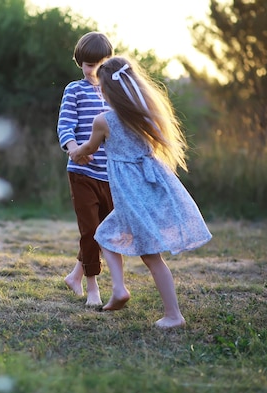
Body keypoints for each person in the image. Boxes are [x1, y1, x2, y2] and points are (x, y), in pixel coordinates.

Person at [68, 56, 212, 328]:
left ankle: (171, 314)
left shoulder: (104, 120)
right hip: (153, 187)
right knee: (107, 234)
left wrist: (75, 151)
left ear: (108, 91)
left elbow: (89, 148)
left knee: (146, 254)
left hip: (130, 194)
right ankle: (120, 290)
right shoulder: (147, 116)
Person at [57, 32, 114, 306]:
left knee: (103, 232)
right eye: (89, 64)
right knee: (90, 230)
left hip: (111, 174)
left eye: (100, 64)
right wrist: (74, 149)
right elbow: (65, 126)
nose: (94, 71)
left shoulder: (114, 92)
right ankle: (93, 288)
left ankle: (75, 275)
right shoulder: (74, 90)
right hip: (82, 173)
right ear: (80, 63)